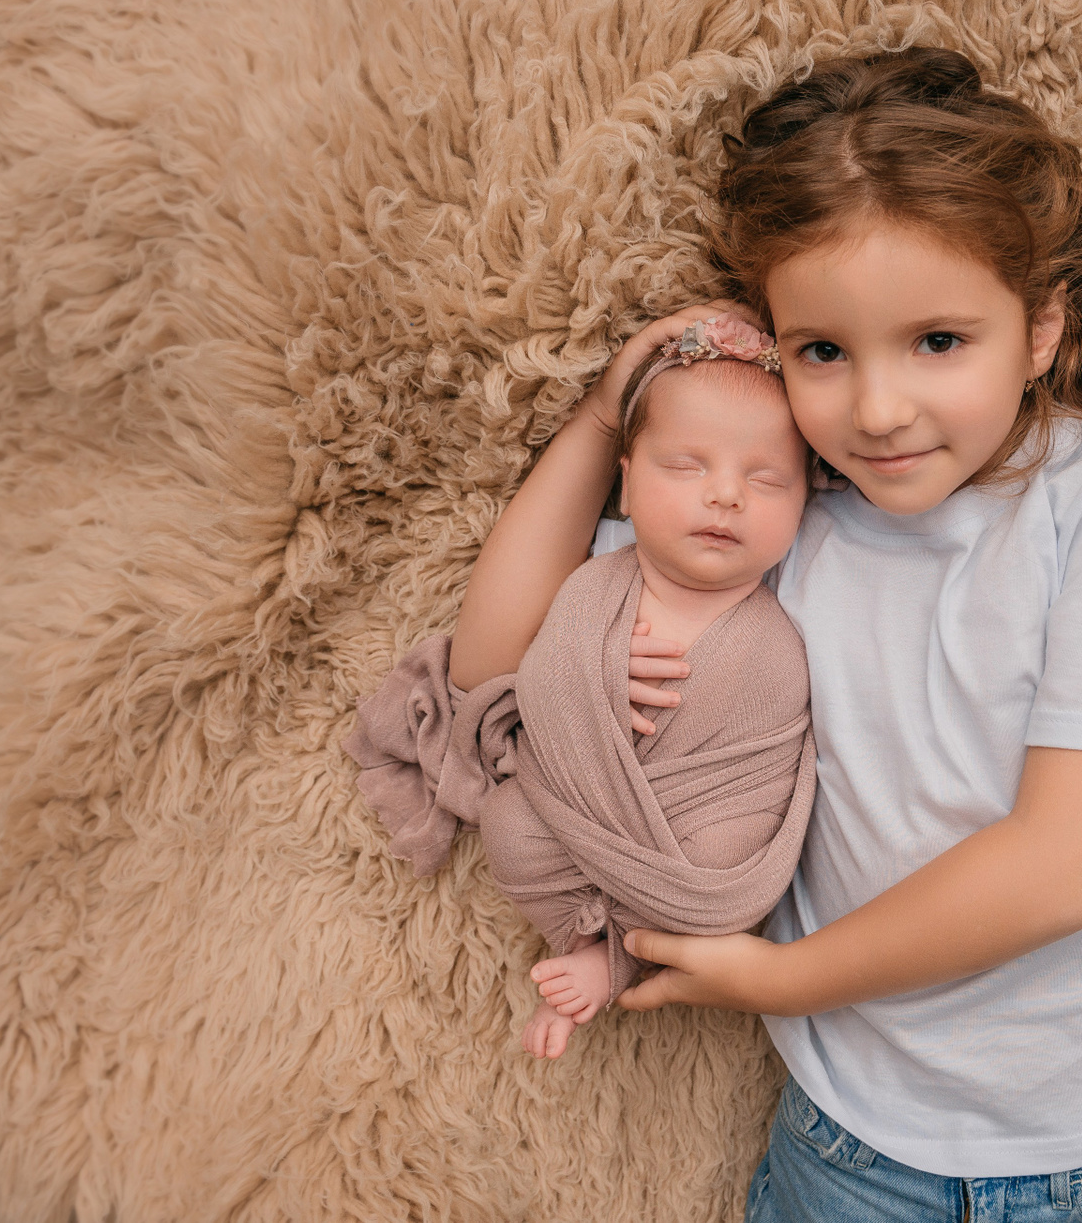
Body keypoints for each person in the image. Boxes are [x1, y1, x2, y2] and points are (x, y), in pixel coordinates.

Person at [450, 46, 1082, 1222]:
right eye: (824, 352)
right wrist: (605, 416)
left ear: (1039, 327)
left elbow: (1070, 864)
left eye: (938, 341)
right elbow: (493, 664)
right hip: (851, 1136)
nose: (879, 409)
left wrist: (787, 976)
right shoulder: (789, 519)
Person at [349, 316, 819, 1064]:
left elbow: (768, 763)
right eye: (685, 467)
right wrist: (586, 677)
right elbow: (514, 681)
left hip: (699, 832)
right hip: (568, 813)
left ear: (805, 503)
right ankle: (584, 938)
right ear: (625, 483)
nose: (727, 495)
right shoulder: (597, 579)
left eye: (766, 480)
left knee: (725, 856)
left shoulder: (787, 616)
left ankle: (614, 958)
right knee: (510, 825)